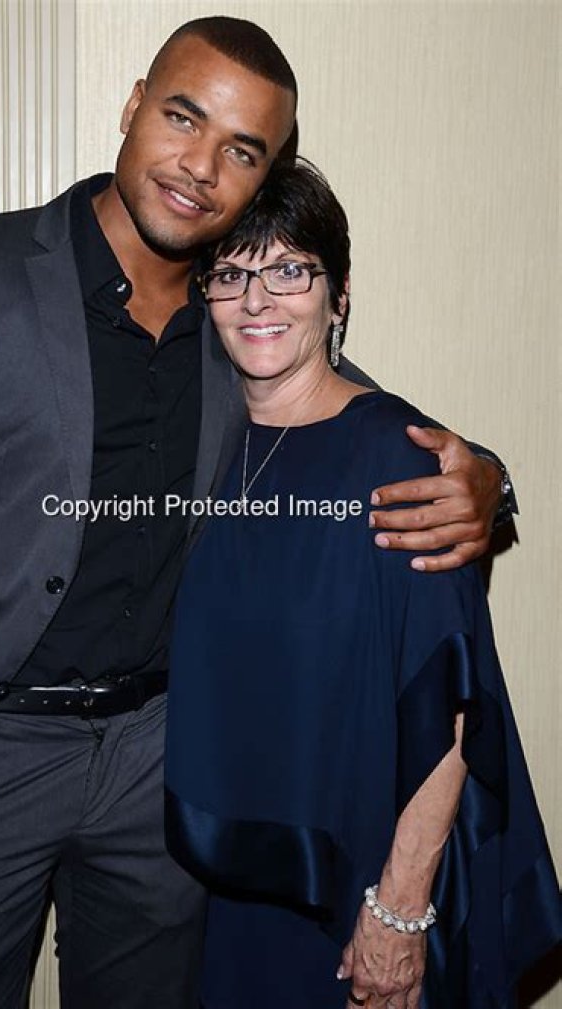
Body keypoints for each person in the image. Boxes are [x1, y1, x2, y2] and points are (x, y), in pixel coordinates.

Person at [0, 16, 510, 1009]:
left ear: (265, 172)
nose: (200, 166)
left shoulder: (237, 316)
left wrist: (490, 480)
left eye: (241, 150)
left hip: (162, 767)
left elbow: (354, 410)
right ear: (133, 106)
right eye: (183, 118)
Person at [164, 159, 561, 1009]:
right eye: (230, 274)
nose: (257, 300)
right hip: (211, 880)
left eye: (288, 270)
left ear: (338, 295)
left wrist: (399, 907)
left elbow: (451, 704)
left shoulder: (396, 455)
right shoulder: (197, 443)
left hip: (352, 889)